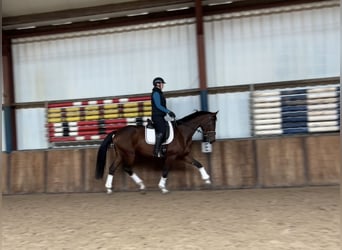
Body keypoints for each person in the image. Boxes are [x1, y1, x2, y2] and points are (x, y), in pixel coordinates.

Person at [151, 77, 176, 157]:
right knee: (162, 130)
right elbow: (158, 105)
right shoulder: (156, 93)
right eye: (162, 84)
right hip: (157, 116)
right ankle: (156, 150)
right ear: (157, 84)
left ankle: (163, 147)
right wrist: (168, 111)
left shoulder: (160, 93)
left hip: (161, 116)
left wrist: (167, 112)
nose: (163, 85)